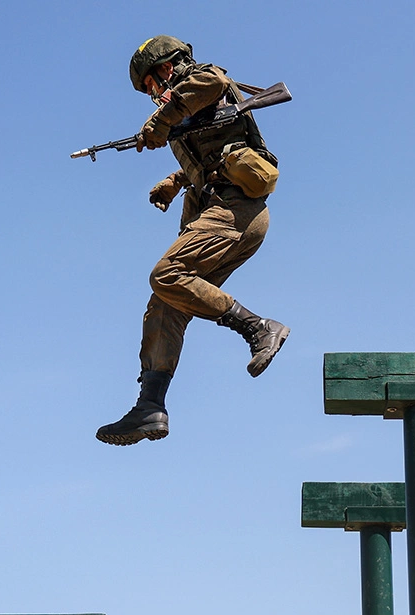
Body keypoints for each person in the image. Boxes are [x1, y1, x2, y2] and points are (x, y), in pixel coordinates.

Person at [96, 35, 289, 446]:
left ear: (167, 67)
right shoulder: (192, 111)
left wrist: (161, 121)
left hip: (236, 211)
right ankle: (150, 406)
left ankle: (258, 327)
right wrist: (174, 181)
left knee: (166, 274)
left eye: (150, 83)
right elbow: (211, 154)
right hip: (223, 212)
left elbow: (214, 81)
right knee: (165, 302)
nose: (152, 94)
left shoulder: (203, 80)